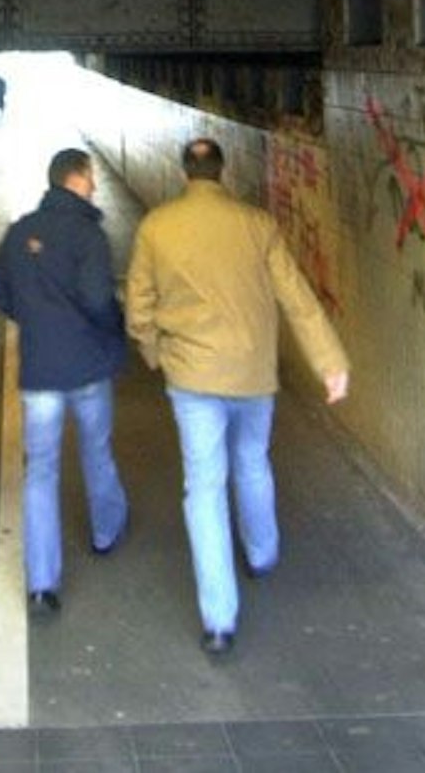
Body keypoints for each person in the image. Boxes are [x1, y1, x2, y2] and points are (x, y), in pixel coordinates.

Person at [125, 136, 349, 656]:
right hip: (252, 373)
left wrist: (155, 352)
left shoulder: (156, 226)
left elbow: (138, 306)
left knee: (204, 487)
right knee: (252, 462)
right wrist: (330, 362)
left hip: (192, 376)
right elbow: (297, 297)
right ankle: (263, 553)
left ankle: (219, 619)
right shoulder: (257, 224)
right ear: (221, 172)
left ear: (184, 172)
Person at [0, 146, 128, 616]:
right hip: (88, 365)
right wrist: (114, 330)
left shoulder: (20, 231)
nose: (95, 185)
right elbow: (98, 299)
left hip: (41, 369)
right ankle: (106, 530)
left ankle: (42, 582)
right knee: (96, 451)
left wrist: (35, 319)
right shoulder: (90, 235)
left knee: (41, 470)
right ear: (77, 178)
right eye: (90, 177)